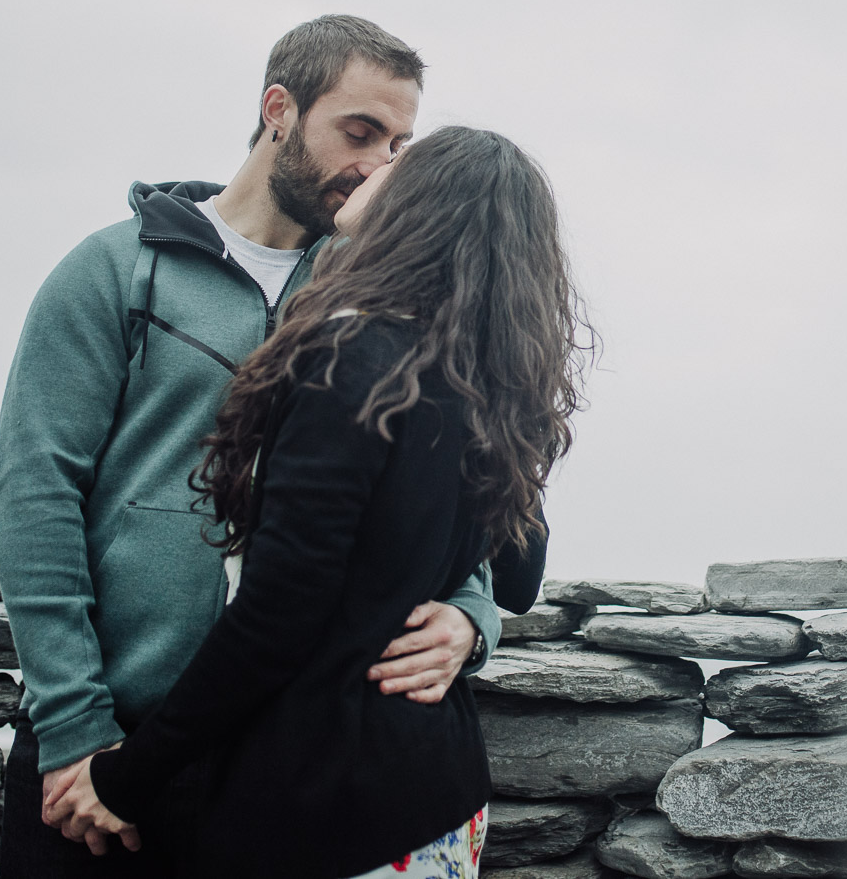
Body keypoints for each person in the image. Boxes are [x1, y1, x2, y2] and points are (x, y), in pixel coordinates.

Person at [0, 16, 521, 874]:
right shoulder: (113, 270)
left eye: (398, 143)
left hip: (275, 763)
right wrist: (76, 726)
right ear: (280, 108)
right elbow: (33, 499)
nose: (379, 162)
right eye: (360, 131)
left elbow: (448, 489)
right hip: (99, 745)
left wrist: (471, 612)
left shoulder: (377, 300)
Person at [46, 126, 589, 879]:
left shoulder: (350, 354)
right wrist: (470, 606)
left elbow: (278, 614)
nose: (378, 164)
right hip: (442, 802)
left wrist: (123, 777)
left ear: (419, 205)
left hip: (334, 807)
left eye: (403, 159)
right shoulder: (481, 382)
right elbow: (520, 575)